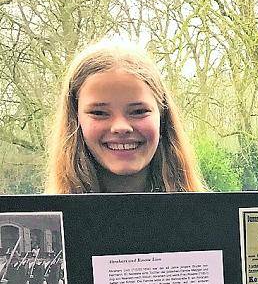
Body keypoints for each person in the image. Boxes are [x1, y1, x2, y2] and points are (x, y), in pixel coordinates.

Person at [45, 40, 204, 194]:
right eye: (99, 113)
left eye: (138, 111)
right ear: (75, 121)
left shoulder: (209, 218)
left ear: (162, 117)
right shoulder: (42, 220)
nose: (121, 127)